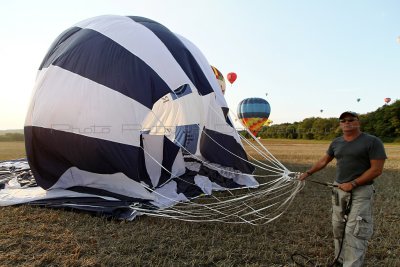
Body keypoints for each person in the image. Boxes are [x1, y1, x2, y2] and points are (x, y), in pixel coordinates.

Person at [299, 111, 387, 267]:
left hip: (361, 191)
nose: (347, 122)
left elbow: (376, 169)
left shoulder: (372, 142)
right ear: (340, 124)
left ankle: (351, 264)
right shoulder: (336, 142)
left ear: (358, 122)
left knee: (355, 230)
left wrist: (353, 183)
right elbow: (324, 161)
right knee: (338, 226)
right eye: (343, 120)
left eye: (351, 120)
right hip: (339, 189)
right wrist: (307, 173)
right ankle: (339, 260)